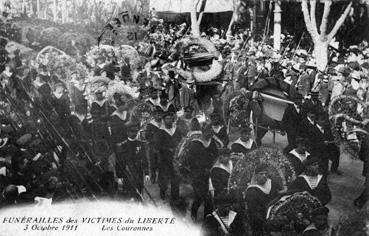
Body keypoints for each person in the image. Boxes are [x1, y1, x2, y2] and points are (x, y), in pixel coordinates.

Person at [186, 124, 218, 221]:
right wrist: (200, 168)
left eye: (212, 132)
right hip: (197, 174)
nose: (211, 134)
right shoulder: (195, 144)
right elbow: (190, 160)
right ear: (203, 132)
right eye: (209, 132)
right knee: (199, 196)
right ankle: (193, 212)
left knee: (208, 198)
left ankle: (207, 217)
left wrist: (212, 165)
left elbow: (216, 154)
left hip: (209, 173)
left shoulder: (211, 142)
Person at [153, 111, 183, 200]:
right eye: (167, 119)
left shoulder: (176, 130)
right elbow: (157, 146)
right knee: (164, 178)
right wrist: (167, 149)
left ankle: (175, 196)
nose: (169, 120)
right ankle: (162, 191)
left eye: (170, 118)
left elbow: (181, 141)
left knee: (175, 177)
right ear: (164, 120)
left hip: (175, 158)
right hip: (164, 159)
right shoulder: (160, 132)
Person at [245, 164, 279, 236]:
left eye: (266, 174)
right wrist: (266, 221)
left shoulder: (272, 184)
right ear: (256, 176)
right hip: (260, 221)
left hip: (276, 217)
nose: (264, 176)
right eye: (261, 174)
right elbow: (253, 211)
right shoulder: (252, 190)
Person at [115, 122, 148, 199]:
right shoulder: (122, 145)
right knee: (130, 190)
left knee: (140, 189)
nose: (134, 133)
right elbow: (119, 162)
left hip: (139, 170)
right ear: (127, 132)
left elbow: (144, 158)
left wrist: (146, 173)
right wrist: (119, 176)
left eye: (136, 131)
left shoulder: (141, 144)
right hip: (128, 171)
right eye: (132, 131)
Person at [145, 106, 163, 183]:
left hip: (162, 146)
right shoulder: (150, 125)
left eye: (160, 114)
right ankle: (153, 176)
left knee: (161, 162)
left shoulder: (164, 123)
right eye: (157, 114)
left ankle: (160, 177)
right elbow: (147, 136)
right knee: (153, 162)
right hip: (153, 146)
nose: (159, 115)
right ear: (154, 115)